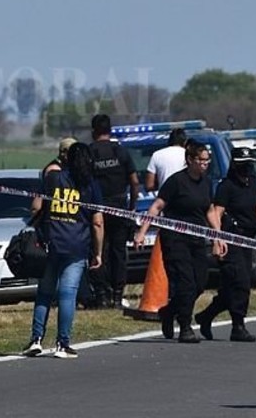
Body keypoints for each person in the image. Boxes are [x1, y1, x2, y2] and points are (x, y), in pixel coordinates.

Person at [22, 142, 105, 359]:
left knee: (45, 292)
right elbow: (97, 222)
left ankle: (36, 339)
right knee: (68, 294)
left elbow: (36, 207)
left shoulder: (52, 179)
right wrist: (98, 252)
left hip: (51, 243)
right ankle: (62, 343)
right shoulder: (91, 185)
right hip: (77, 245)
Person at [133, 140, 213, 342]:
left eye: (207, 160)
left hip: (197, 239)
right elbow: (157, 207)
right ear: (190, 160)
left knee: (199, 283)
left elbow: (209, 210)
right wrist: (142, 232)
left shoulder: (206, 182)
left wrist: (219, 236)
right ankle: (185, 326)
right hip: (175, 239)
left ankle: (168, 312)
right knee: (186, 283)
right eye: (201, 160)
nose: (205, 164)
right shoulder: (176, 181)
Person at [196, 146, 256, 342]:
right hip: (231, 240)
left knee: (231, 287)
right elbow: (216, 213)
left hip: (248, 239)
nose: (247, 169)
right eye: (243, 165)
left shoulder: (253, 184)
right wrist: (218, 239)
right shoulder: (226, 186)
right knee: (241, 282)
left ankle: (206, 315)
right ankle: (238, 326)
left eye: (249, 165)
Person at [87, 114, 142, 308]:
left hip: (96, 210)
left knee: (98, 251)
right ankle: (118, 296)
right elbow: (134, 182)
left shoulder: (89, 153)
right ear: (109, 130)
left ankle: (102, 295)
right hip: (120, 209)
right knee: (118, 253)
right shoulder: (121, 152)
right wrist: (132, 207)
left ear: (93, 131)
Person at [145, 127, 189, 192]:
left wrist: (161, 182)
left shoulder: (157, 155)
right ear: (185, 142)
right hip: (186, 194)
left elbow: (149, 185)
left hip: (165, 195)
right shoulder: (189, 155)